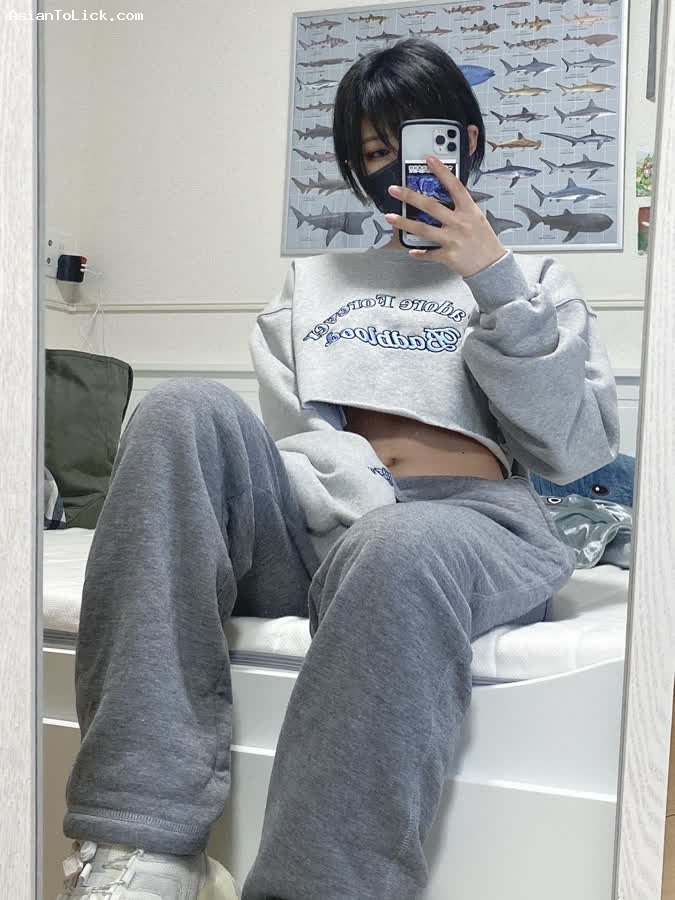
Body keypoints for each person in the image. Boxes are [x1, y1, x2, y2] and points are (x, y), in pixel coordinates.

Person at [56, 38, 619, 900]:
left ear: (464, 142)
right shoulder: (311, 284)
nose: (397, 169)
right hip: (321, 520)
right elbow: (302, 439)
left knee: (397, 545)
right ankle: (140, 849)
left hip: (467, 531)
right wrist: (361, 505)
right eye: (374, 152)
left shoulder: (534, 280)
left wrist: (493, 281)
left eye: (415, 143)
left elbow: (574, 450)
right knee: (179, 408)